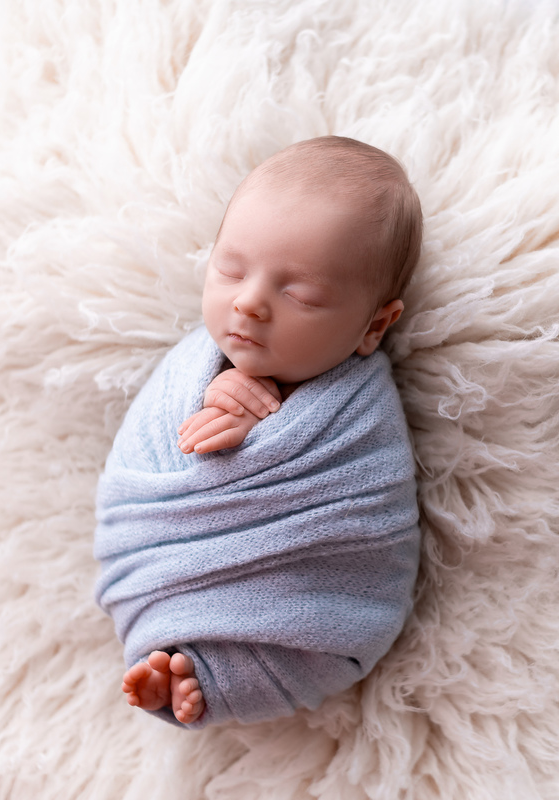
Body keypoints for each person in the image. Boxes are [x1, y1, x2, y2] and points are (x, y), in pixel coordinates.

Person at [112, 136, 423, 725]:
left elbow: (362, 515)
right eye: (230, 270)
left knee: (298, 650)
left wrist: (266, 430)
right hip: (158, 561)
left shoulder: (356, 413)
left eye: (300, 293)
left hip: (309, 605)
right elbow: (155, 453)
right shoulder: (189, 368)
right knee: (168, 637)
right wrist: (208, 403)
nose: (249, 303)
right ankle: (174, 664)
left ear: (374, 326)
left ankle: (197, 677)